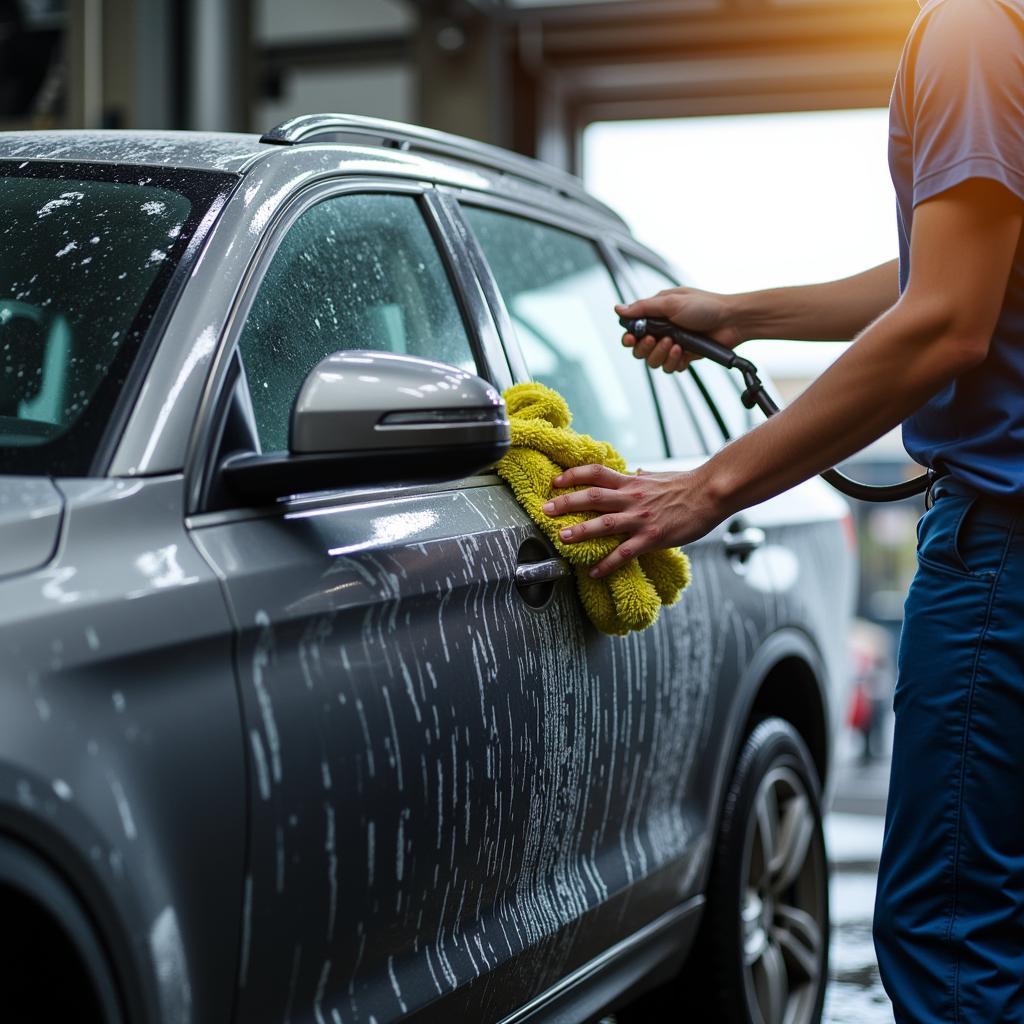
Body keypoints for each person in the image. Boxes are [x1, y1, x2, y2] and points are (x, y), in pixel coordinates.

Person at [541, 0, 1024, 1019]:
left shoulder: (974, 34)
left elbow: (943, 321)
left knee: (951, 929)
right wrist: (738, 312)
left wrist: (704, 486)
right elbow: (955, 267)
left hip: (1003, 561)